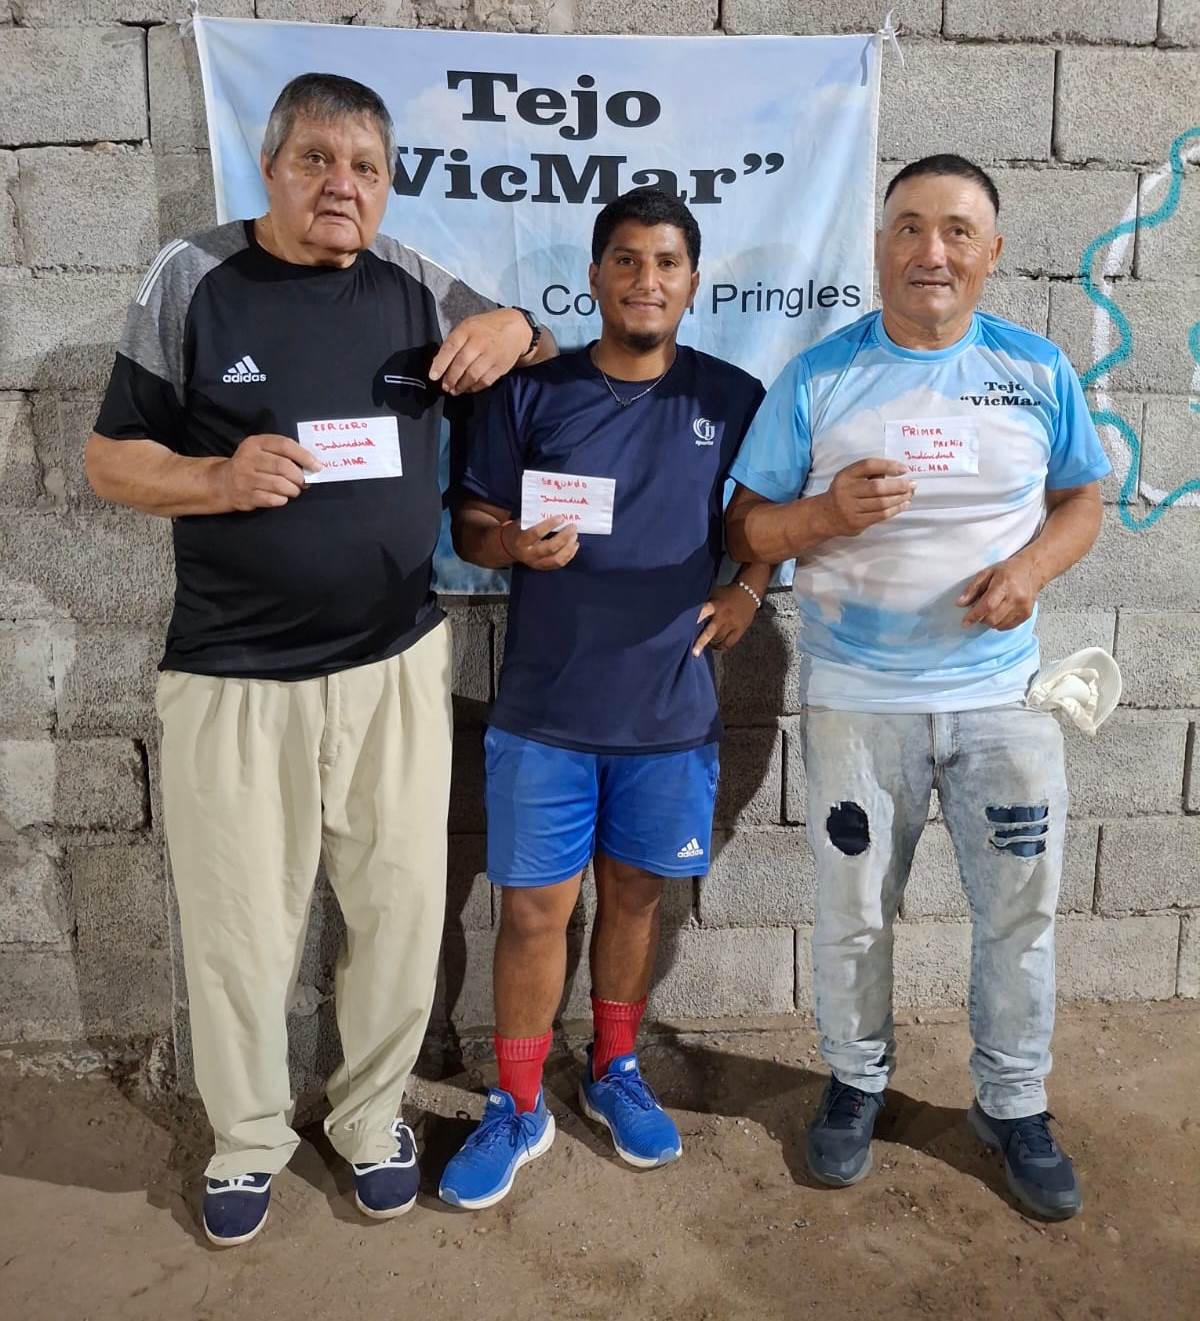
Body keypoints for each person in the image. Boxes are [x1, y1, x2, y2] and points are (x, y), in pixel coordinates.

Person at [84, 72, 555, 1247]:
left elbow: (528, 342)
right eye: (317, 161)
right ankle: (247, 1138)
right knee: (240, 929)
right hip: (234, 677)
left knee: (398, 910)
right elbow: (108, 459)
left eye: (366, 169)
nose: (342, 186)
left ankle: (371, 1118)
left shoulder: (411, 285)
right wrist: (215, 476)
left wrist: (517, 327)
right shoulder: (194, 277)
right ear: (271, 168)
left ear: (387, 187)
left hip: (395, 666)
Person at [725, 154, 1110, 1221]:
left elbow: (1082, 500)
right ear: (879, 245)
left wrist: (1031, 571)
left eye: (955, 230)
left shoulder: (1036, 369)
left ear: (991, 252)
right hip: (857, 700)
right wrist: (823, 517)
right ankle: (855, 1081)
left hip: (1005, 703)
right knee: (853, 911)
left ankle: (1013, 1101)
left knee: (1020, 914)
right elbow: (745, 525)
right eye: (908, 227)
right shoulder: (820, 377)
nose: (930, 251)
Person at [437, 187, 769, 1210]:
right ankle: (516, 1103)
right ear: (594, 277)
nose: (645, 280)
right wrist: (510, 543)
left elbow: (765, 514)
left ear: (693, 282)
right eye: (626, 260)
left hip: (669, 716)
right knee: (533, 910)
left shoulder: (733, 396)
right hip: (546, 711)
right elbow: (472, 523)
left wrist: (751, 589)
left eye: (666, 263)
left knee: (635, 898)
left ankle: (614, 1068)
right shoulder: (531, 394)